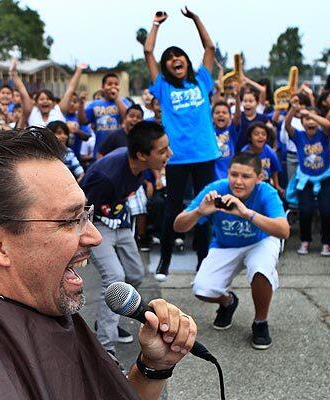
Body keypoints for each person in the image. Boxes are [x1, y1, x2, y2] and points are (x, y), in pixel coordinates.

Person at [0, 127, 196, 400]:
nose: (94, 237)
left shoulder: (34, 298)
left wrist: (152, 368)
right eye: (68, 221)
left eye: (86, 215)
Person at [174, 152, 289, 349]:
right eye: (234, 174)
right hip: (225, 245)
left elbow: (284, 230)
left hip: (259, 242)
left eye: (246, 176)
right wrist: (199, 211)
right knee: (202, 289)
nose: (238, 182)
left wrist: (246, 213)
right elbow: (179, 226)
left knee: (260, 270)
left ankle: (260, 322)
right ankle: (228, 302)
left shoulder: (266, 192)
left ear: (259, 178)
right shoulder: (216, 190)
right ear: (227, 173)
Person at [80, 121, 173, 354]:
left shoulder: (139, 166)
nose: (169, 154)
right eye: (162, 151)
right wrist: (79, 243)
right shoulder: (106, 176)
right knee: (115, 276)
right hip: (97, 224)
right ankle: (105, 349)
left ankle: (105, 320)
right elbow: (80, 208)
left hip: (120, 221)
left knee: (134, 274)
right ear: (142, 155)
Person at [144, 8, 220, 281]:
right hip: (176, 157)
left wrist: (196, 19)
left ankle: (203, 260)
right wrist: (156, 24)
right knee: (172, 207)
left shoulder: (202, 80)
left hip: (204, 154)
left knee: (205, 207)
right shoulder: (162, 86)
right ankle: (165, 258)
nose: (175, 59)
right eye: (170, 58)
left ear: (186, 61)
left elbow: (209, 46)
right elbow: (149, 53)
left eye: (179, 56)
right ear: (165, 67)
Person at [284, 106, 330, 256]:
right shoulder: (299, 136)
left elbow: (328, 124)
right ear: (302, 122)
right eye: (307, 119)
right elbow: (287, 125)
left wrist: (311, 114)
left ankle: (326, 243)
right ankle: (305, 241)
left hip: (325, 178)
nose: (311, 121)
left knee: (327, 211)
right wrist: (293, 110)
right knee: (305, 211)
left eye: (313, 118)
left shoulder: (324, 134)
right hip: (305, 180)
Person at [82, 73, 132, 157]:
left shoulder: (124, 102)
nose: (113, 87)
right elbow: (83, 121)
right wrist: (81, 104)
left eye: (116, 84)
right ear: (102, 87)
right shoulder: (94, 104)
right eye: (109, 84)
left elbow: (127, 117)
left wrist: (116, 98)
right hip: (101, 150)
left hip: (121, 149)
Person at [242, 122, 284, 195]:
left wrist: (276, 185)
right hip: (249, 185)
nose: (260, 136)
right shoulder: (244, 152)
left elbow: (275, 170)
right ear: (250, 137)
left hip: (266, 183)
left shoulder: (270, 152)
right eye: (256, 134)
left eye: (263, 134)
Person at [213, 100, 241, 179]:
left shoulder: (232, 131)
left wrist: (237, 97)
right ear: (212, 116)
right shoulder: (209, 131)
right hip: (212, 177)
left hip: (229, 177)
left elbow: (238, 117)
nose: (221, 115)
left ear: (230, 116)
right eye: (217, 113)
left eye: (224, 113)